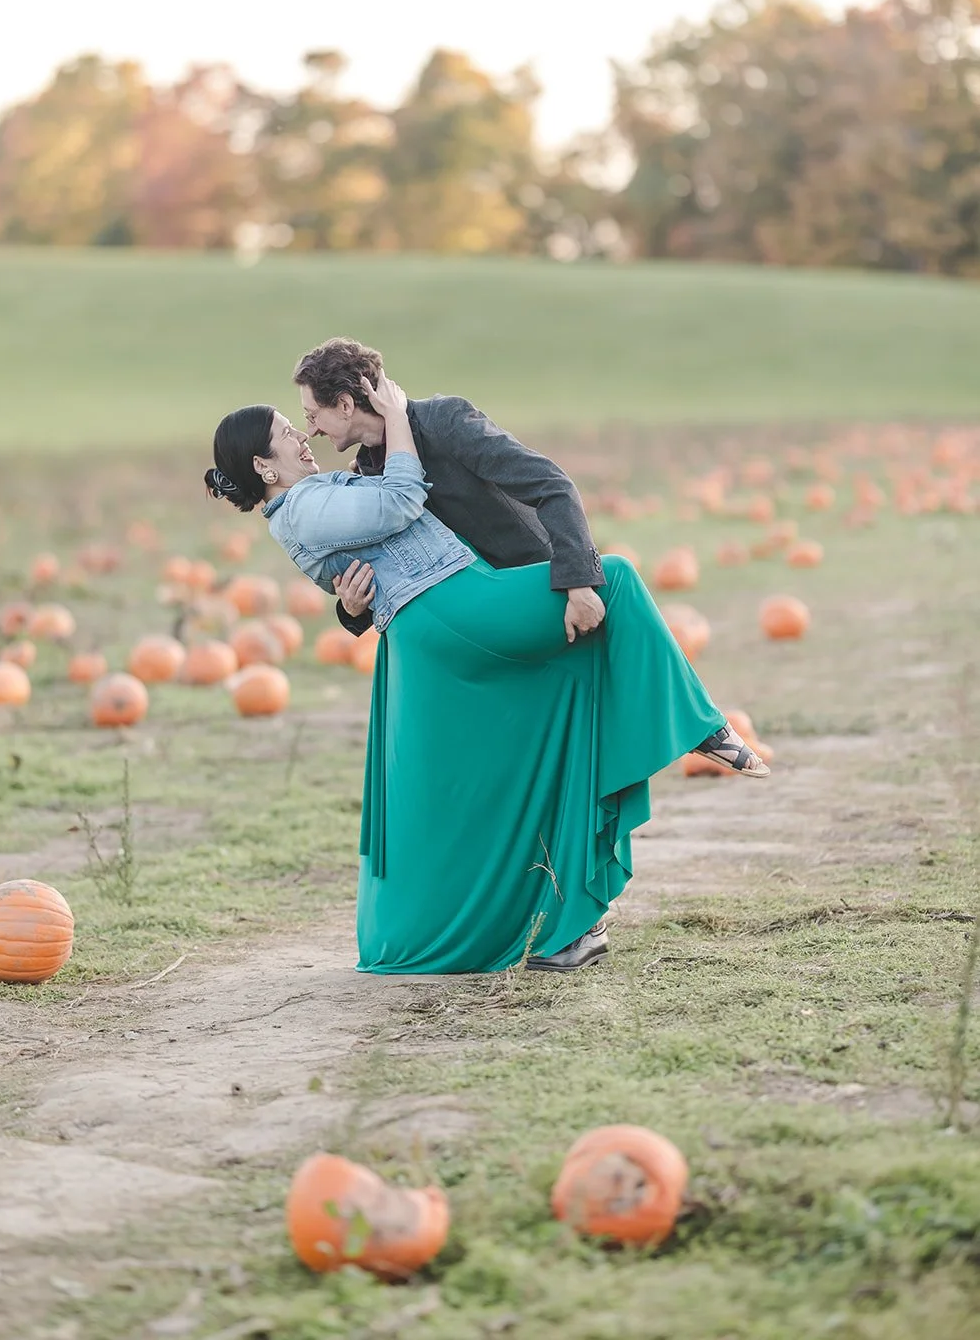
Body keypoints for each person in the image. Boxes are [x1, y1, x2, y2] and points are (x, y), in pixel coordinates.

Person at [205, 373, 769, 979]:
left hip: (451, 603)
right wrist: (396, 418)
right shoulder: (305, 505)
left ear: (347, 403)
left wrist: (351, 603)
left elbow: (367, 560)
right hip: (454, 604)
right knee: (619, 580)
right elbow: (400, 500)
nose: (304, 433)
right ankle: (702, 727)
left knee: (567, 694)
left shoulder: (337, 481)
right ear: (263, 466)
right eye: (289, 431)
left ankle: (574, 927)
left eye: (307, 417)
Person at [291, 337, 607, 649]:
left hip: (536, 591)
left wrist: (579, 584)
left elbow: (552, 485)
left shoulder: (445, 420)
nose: (312, 430)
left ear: (345, 405)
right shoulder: (367, 472)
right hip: (467, 627)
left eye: (312, 415)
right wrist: (354, 610)